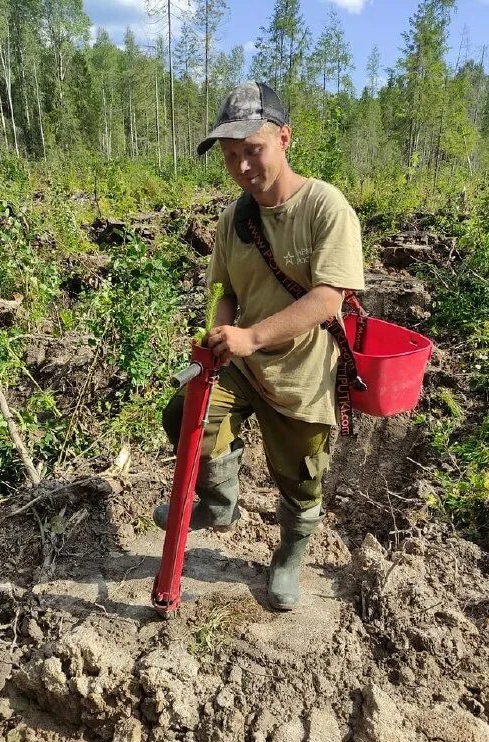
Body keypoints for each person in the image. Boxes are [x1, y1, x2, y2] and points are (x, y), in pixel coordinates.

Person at [154, 80, 365, 611]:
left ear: (284, 138)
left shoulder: (326, 207)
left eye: (253, 150)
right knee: (186, 412)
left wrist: (250, 336)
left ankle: (289, 557)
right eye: (230, 156)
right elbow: (224, 290)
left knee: (301, 481)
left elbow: (326, 300)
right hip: (243, 365)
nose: (242, 166)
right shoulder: (235, 217)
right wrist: (219, 334)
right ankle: (220, 503)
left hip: (303, 377)